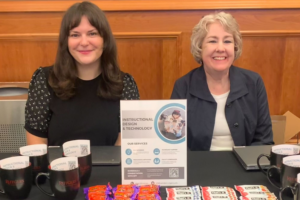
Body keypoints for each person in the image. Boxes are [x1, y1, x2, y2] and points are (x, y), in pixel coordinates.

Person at [25, 1, 139, 146]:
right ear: (65, 41)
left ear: (105, 39)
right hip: (57, 168)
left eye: (92, 33)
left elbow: (125, 144)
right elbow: (37, 141)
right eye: (75, 35)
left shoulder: (125, 84)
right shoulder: (45, 80)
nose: (84, 42)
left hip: (109, 168)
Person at [171, 12, 274, 151]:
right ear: (200, 47)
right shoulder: (183, 86)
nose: (220, 48)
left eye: (227, 41)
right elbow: (176, 142)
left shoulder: (254, 82)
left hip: (245, 169)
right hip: (199, 169)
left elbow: (264, 140)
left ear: (235, 47)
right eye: (212, 41)